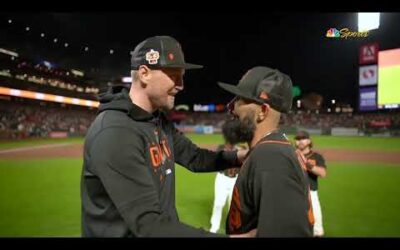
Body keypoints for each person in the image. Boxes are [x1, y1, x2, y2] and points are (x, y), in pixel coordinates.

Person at [80, 36, 252, 237]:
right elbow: (150, 226)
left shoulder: (157, 120)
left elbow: (194, 157)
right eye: (174, 75)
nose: (181, 85)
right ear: (144, 74)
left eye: (182, 76)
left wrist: (241, 156)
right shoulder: (115, 132)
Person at [218, 66, 314, 237]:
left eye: (239, 99)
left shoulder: (271, 157)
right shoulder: (269, 150)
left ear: (262, 111)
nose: (230, 106)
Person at [209, 119, 246, 233]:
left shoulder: (241, 149)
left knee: (233, 205)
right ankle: (214, 227)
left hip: (235, 179)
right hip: (222, 178)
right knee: (218, 204)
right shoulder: (221, 148)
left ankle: (233, 227)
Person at [294, 130, 327, 237]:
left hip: (311, 195)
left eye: (303, 138)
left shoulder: (316, 157)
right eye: (298, 139)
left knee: (317, 229)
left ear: (309, 141)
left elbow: (323, 173)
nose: (300, 141)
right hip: (293, 194)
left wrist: (307, 164)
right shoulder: (291, 155)